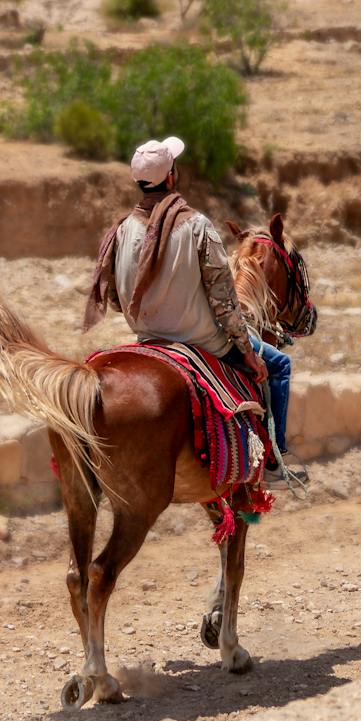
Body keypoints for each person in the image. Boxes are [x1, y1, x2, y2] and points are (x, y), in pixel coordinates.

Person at [83, 136, 304, 485]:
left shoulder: (120, 231)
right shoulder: (197, 226)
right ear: (171, 177)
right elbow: (225, 301)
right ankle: (275, 462)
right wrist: (247, 353)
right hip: (202, 340)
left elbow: (112, 297)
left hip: (148, 339)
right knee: (278, 364)